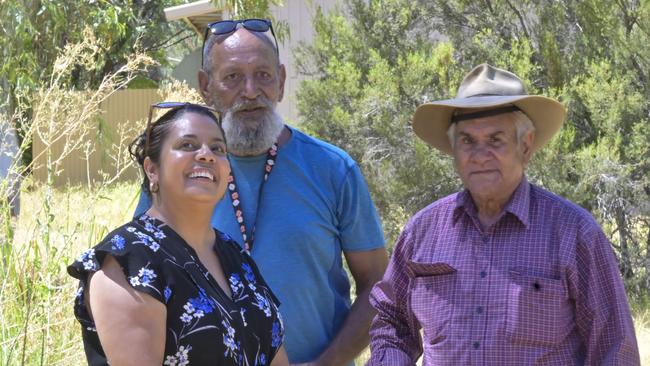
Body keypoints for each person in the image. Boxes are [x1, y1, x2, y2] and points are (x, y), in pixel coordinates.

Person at [135, 19, 388, 365]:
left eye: (264, 76)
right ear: (206, 86)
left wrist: (326, 363)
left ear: (281, 82)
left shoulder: (333, 169)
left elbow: (377, 282)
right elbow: (141, 281)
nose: (251, 91)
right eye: (233, 77)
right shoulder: (175, 174)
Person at [367, 64, 640, 365]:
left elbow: (615, 349)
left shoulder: (573, 233)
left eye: (495, 139)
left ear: (525, 146)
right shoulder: (423, 230)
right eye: (467, 141)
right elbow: (391, 320)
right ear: (454, 150)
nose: (480, 155)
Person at [69, 103, 289, 365]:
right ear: (152, 169)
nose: (206, 155)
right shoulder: (129, 262)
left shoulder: (237, 257)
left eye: (218, 148)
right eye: (188, 145)